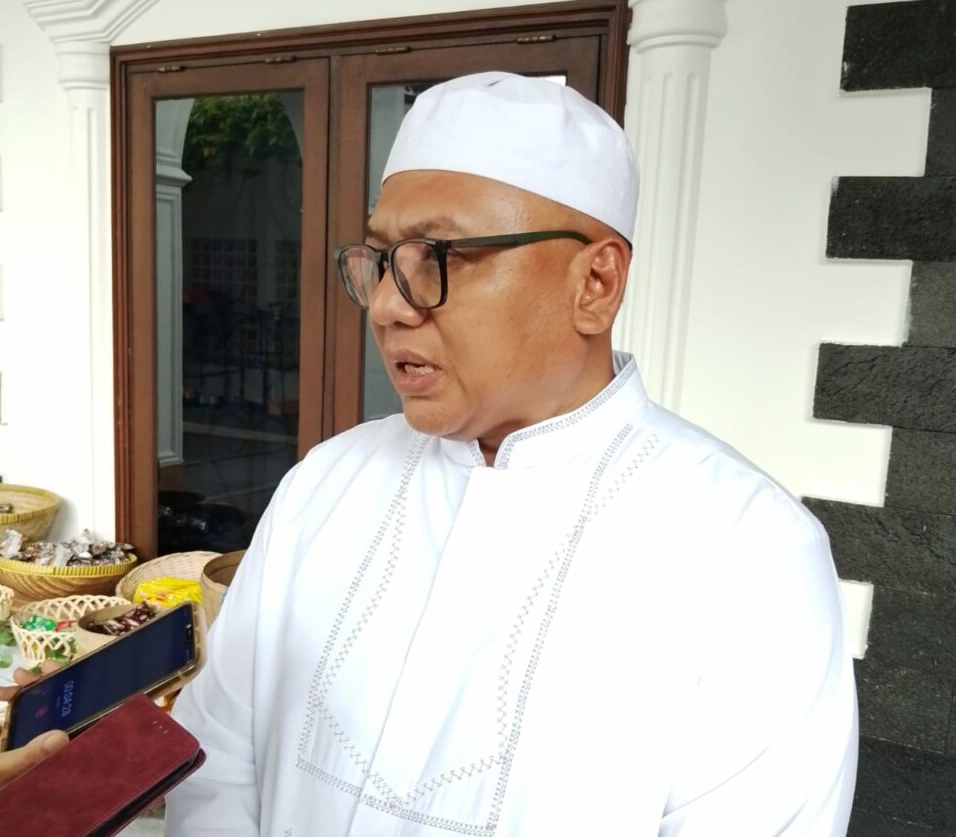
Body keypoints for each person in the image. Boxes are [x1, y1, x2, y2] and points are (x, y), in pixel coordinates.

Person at [166, 72, 858, 835]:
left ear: (596, 283)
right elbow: (214, 753)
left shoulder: (750, 553)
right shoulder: (325, 483)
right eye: (382, 258)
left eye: (438, 256)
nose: (389, 305)